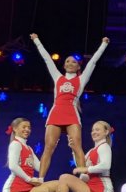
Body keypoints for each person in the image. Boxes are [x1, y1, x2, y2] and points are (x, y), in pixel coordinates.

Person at [30, 33, 109, 180]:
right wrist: (37, 41)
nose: (70, 63)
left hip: (71, 114)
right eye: (67, 61)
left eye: (74, 62)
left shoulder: (81, 78)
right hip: (56, 113)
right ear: (64, 65)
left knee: (77, 146)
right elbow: (47, 59)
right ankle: (40, 179)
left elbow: (93, 62)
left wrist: (103, 44)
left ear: (78, 66)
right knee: (48, 148)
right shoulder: (58, 77)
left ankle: (83, 176)